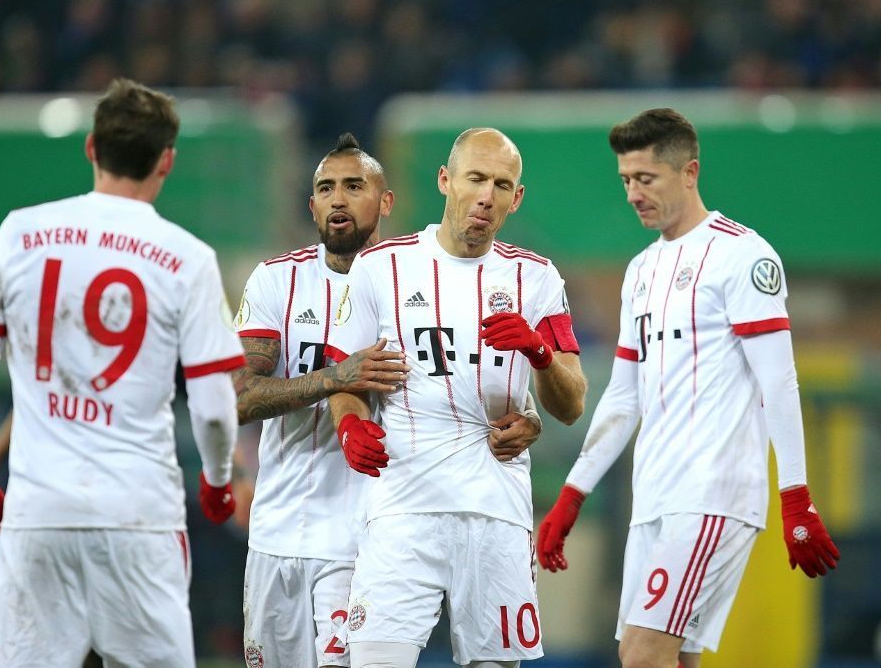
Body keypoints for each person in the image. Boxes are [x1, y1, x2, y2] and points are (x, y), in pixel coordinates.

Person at [0, 78, 243, 667]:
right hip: (139, 517)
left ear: (90, 148)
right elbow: (212, 406)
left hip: (38, 515)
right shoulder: (188, 258)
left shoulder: (20, 232)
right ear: (167, 160)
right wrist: (215, 482)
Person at [536, 108, 840, 668]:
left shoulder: (741, 255)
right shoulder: (641, 270)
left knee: (644, 655)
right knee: (670, 658)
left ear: (689, 172)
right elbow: (624, 397)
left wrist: (796, 496)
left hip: (711, 494)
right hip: (654, 497)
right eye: (625, 180)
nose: (632, 193)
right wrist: (573, 493)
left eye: (645, 179)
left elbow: (780, 380)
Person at [233, 132, 547, 668]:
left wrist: (531, 414)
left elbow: (466, 369)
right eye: (326, 188)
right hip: (276, 527)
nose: (338, 199)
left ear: (385, 202)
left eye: (354, 186)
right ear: (310, 205)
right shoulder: (275, 280)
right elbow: (236, 399)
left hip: (369, 528)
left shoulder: (407, 274)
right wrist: (336, 380)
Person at [325, 127, 588, 668]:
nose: (486, 195)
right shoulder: (380, 268)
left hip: (496, 511)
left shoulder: (535, 278)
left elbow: (572, 402)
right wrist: (349, 425)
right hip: (403, 508)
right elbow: (343, 378)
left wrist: (540, 354)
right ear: (446, 181)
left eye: (501, 184)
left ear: (517, 199)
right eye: (475, 178)